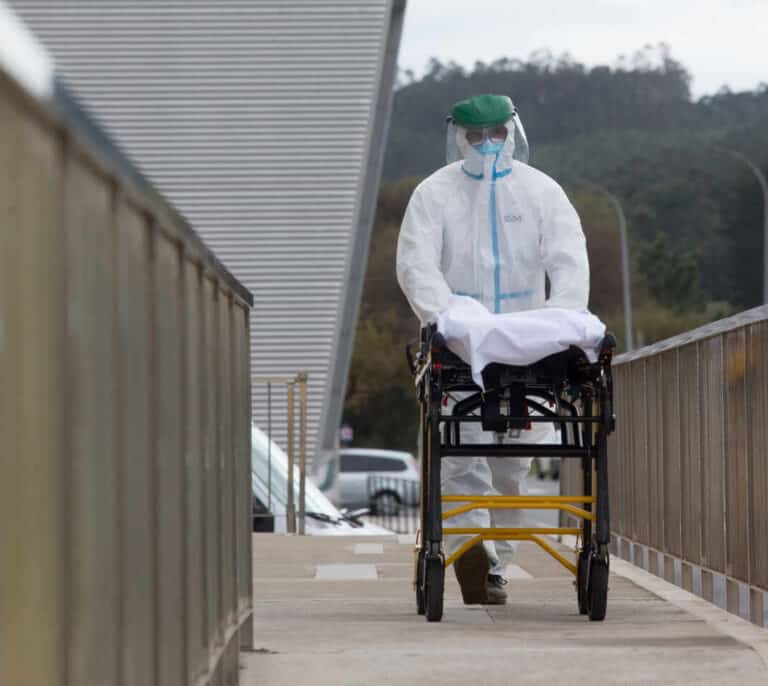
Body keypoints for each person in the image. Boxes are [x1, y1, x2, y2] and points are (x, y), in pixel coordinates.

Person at [396, 94, 590, 605]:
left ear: (512, 131)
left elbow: (568, 262)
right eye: (475, 136)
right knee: (460, 457)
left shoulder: (541, 192)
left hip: (531, 346)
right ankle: (475, 556)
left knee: (512, 463)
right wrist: (452, 320)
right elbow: (417, 265)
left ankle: (498, 557)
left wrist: (560, 322)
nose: (486, 145)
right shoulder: (434, 195)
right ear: (458, 137)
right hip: (463, 348)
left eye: (496, 134)